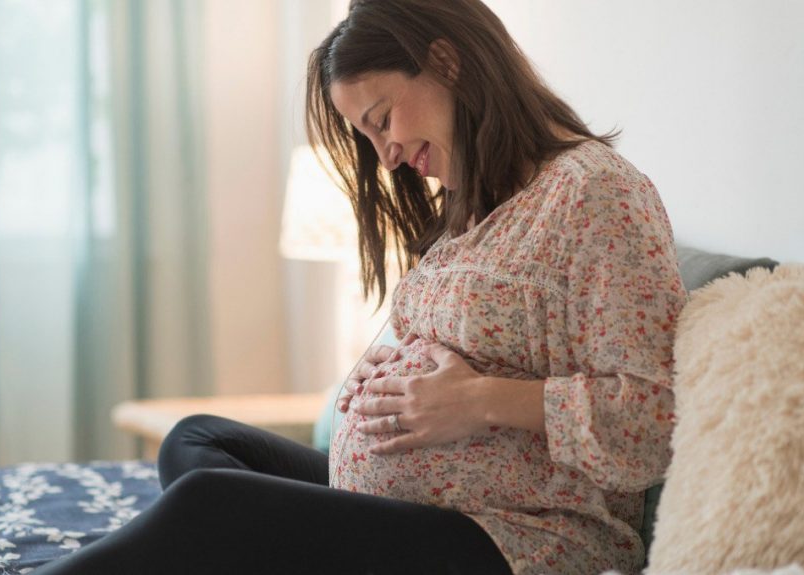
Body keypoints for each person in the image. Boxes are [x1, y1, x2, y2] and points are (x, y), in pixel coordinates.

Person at [35, 1, 686, 573]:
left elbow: (654, 421)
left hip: (523, 540)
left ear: (446, 62)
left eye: (382, 119)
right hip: (406, 508)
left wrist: (478, 399)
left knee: (210, 505)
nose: (388, 156)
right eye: (368, 137)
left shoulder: (594, 195)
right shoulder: (470, 206)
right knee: (199, 442)